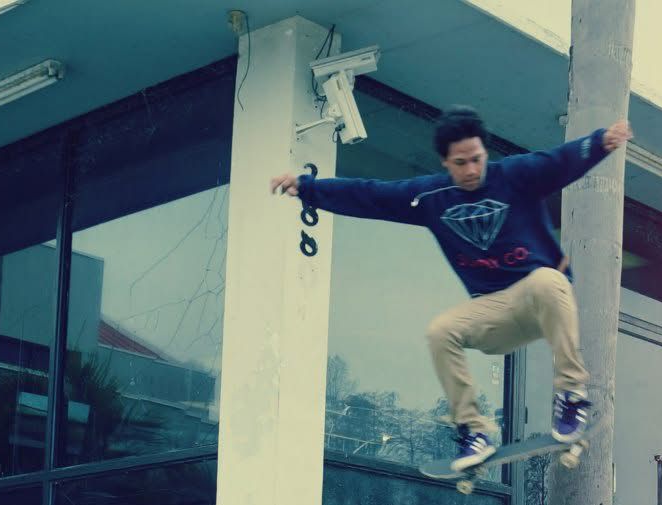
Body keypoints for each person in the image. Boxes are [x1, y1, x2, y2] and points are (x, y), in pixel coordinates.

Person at [271, 106, 633, 472]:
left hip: (543, 301)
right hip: (493, 315)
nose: (472, 170)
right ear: (446, 162)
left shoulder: (515, 175)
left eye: (477, 160)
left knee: (547, 279)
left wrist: (600, 143)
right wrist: (307, 189)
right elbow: (371, 195)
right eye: (461, 163)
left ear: (485, 154)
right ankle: (473, 430)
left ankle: (571, 395)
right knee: (440, 330)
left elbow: (559, 161)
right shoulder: (429, 196)